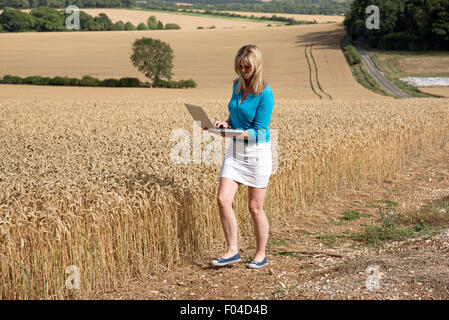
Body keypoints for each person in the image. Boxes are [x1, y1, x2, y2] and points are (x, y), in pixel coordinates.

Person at [208, 44, 274, 269]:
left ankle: (260, 254)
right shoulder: (237, 86)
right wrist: (225, 123)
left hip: (257, 153)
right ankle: (232, 251)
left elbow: (262, 130)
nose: (243, 71)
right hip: (235, 151)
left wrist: (237, 133)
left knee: (255, 208)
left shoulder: (265, 92)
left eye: (247, 67)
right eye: (240, 67)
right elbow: (235, 112)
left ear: (256, 66)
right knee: (223, 199)